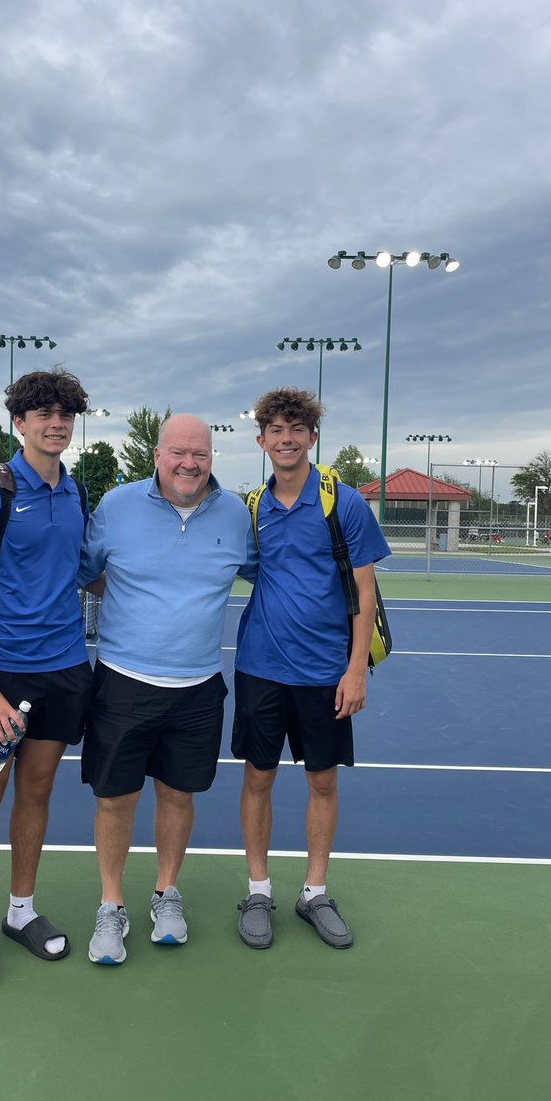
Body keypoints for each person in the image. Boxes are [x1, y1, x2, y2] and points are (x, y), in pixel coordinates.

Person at [78, 414, 257, 965]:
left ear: (211, 459)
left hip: (199, 687)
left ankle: (165, 894)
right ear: (156, 455)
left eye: (199, 454)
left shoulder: (235, 514)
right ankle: (111, 904)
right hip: (123, 683)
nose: (189, 464)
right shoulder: (116, 506)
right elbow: (86, 571)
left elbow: (270, 574)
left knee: (178, 795)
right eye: (178, 452)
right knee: (115, 799)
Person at [0, 368, 94, 989]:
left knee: (37, 792)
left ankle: (20, 912)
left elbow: (84, 575)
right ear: (19, 422)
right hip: (2, 676)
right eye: (43, 414)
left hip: (63, 668)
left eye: (65, 414)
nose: (55, 423)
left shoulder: (75, 490)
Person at [232, 387, 390, 952]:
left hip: (326, 672)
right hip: (260, 667)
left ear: (312, 436)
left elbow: (365, 594)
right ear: (261, 441)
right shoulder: (251, 507)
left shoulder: (342, 503)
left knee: (322, 780)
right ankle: (257, 890)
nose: (287, 439)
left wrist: (356, 671)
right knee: (258, 777)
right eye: (276, 430)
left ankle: (314, 892)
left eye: (297, 429)